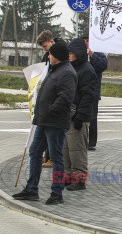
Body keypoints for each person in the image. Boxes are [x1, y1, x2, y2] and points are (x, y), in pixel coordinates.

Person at [13, 42, 77, 204]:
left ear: (57, 57)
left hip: (55, 122)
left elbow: (65, 98)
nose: (48, 56)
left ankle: (57, 193)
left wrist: (49, 110)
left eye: (51, 54)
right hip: (43, 120)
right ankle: (31, 189)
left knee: (56, 157)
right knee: (34, 152)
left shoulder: (67, 73)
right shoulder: (54, 69)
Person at [64, 38, 97, 191]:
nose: (69, 55)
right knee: (67, 149)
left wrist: (80, 116)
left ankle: (80, 180)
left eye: (71, 53)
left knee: (77, 149)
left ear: (78, 53)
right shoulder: (72, 67)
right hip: (68, 115)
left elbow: (88, 96)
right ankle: (69, 177)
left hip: (78, 117)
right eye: (68, 53)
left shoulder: (87, 70)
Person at [35, 30, 65, 168]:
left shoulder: (61, 54)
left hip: (54, 105)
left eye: (45, 47)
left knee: (54, 139)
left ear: (51, 42)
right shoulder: (47, 56)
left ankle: (51, 159)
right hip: (46, 101)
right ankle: (46, 157)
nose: (45, 51)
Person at [81, 34, 107, 151]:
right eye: (84, 41)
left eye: (88, 41)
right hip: (80, 91)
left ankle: (91, 142)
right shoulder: (78, 53)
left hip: (93, 92)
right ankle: (81, 140)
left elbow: (102, 65)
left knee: (92, 118)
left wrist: (91, 54)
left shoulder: (98, 53)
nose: (86, 43)